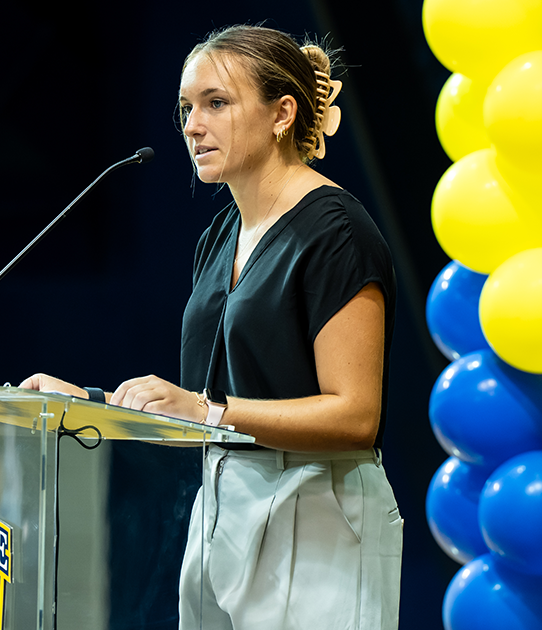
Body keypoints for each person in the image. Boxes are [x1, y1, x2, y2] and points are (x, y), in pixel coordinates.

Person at [20, 24, 402, 629]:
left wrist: (207, 410)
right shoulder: (218, 237)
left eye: (216, 103)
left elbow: (355, 417)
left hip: (318, 517)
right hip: (221, 509)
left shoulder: (338, 232)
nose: (193, 126)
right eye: (186, 109)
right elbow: (201, 409)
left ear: (282, 114)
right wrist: (90, 404)